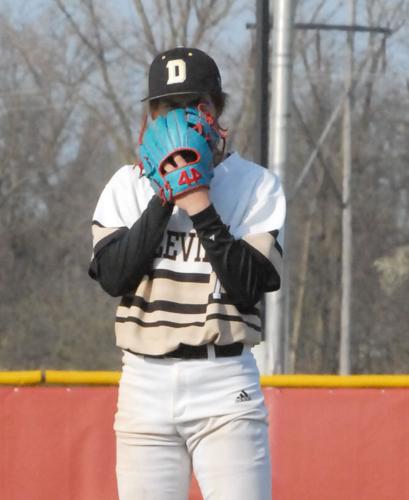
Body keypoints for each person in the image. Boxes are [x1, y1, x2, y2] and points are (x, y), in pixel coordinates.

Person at [88, 47, 285, 500]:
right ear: (151, 116)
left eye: (193, 106)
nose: (178, 119)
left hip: (225, 381)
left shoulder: (255, 184)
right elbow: (114, 278)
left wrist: (197, 201)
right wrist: (164, 194)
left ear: (216, 111)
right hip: (145, 382)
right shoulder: (126, 184)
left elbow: (247, 287)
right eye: (167, 108)